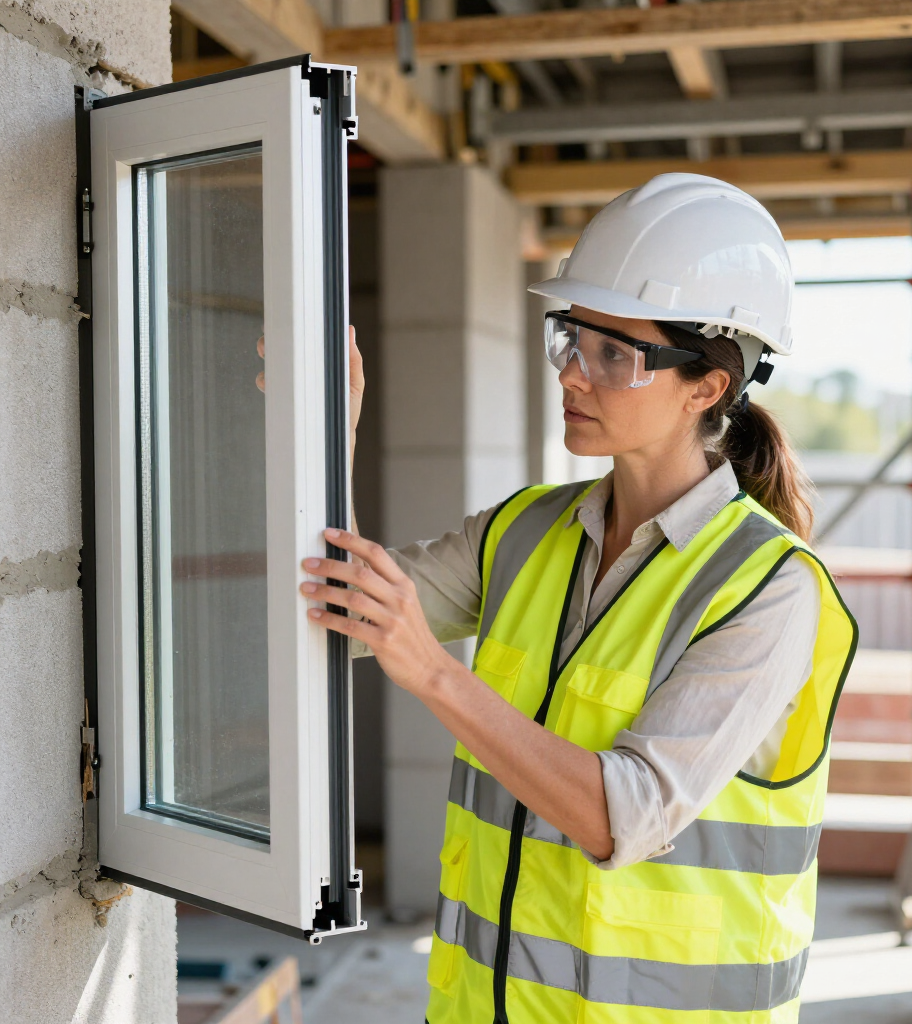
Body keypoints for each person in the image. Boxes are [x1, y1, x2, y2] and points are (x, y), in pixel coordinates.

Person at [296, 174, 857, 1024]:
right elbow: (345, 613)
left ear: (707, 386)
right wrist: (323, 437)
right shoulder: (524, 532)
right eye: (572, 341)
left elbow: (621, 817)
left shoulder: (769, 591)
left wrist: (436, 675)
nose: (574, 377)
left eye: (614, 356)